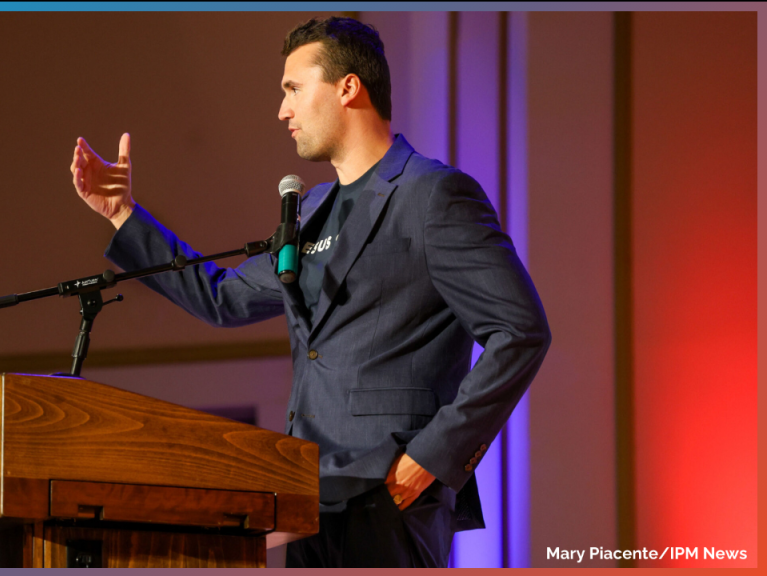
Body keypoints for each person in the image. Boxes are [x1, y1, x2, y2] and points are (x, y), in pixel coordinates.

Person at [69, 16, 551, 568]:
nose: (282, 110)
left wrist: (430, 458)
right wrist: (123, 216)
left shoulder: (433, 196)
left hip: (389, 497)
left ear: (348, 87)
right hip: (307, 497)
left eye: (293, 89)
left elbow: (521, 332)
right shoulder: (312, 212)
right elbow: (220, 297)